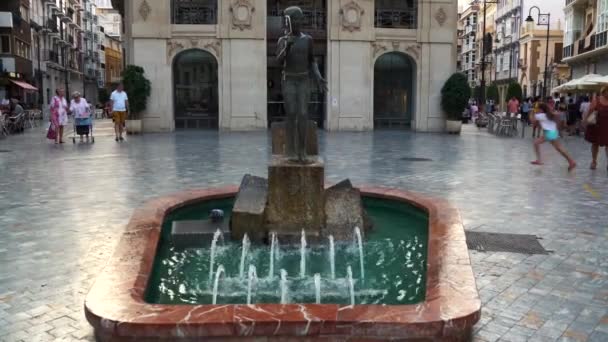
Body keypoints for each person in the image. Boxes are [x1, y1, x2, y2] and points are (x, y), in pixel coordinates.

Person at [530, 102, 576, 171]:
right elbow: (557, 116)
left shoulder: (541, 115)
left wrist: (532, 112)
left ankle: (539, 160)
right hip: (553, 132)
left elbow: (532, 121)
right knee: (559, 148)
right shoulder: (549, 115)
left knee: (536, 143)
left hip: (549, 133)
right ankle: (571, 161)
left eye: (538, 109)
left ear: (541, 109)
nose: (537, 110)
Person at [583, 86, 608, 171]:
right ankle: (594, 161)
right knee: (595, 144)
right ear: (604, 91)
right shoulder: (596, 99)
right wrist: (585, 120)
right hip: (596, 125)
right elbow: (590, 110)